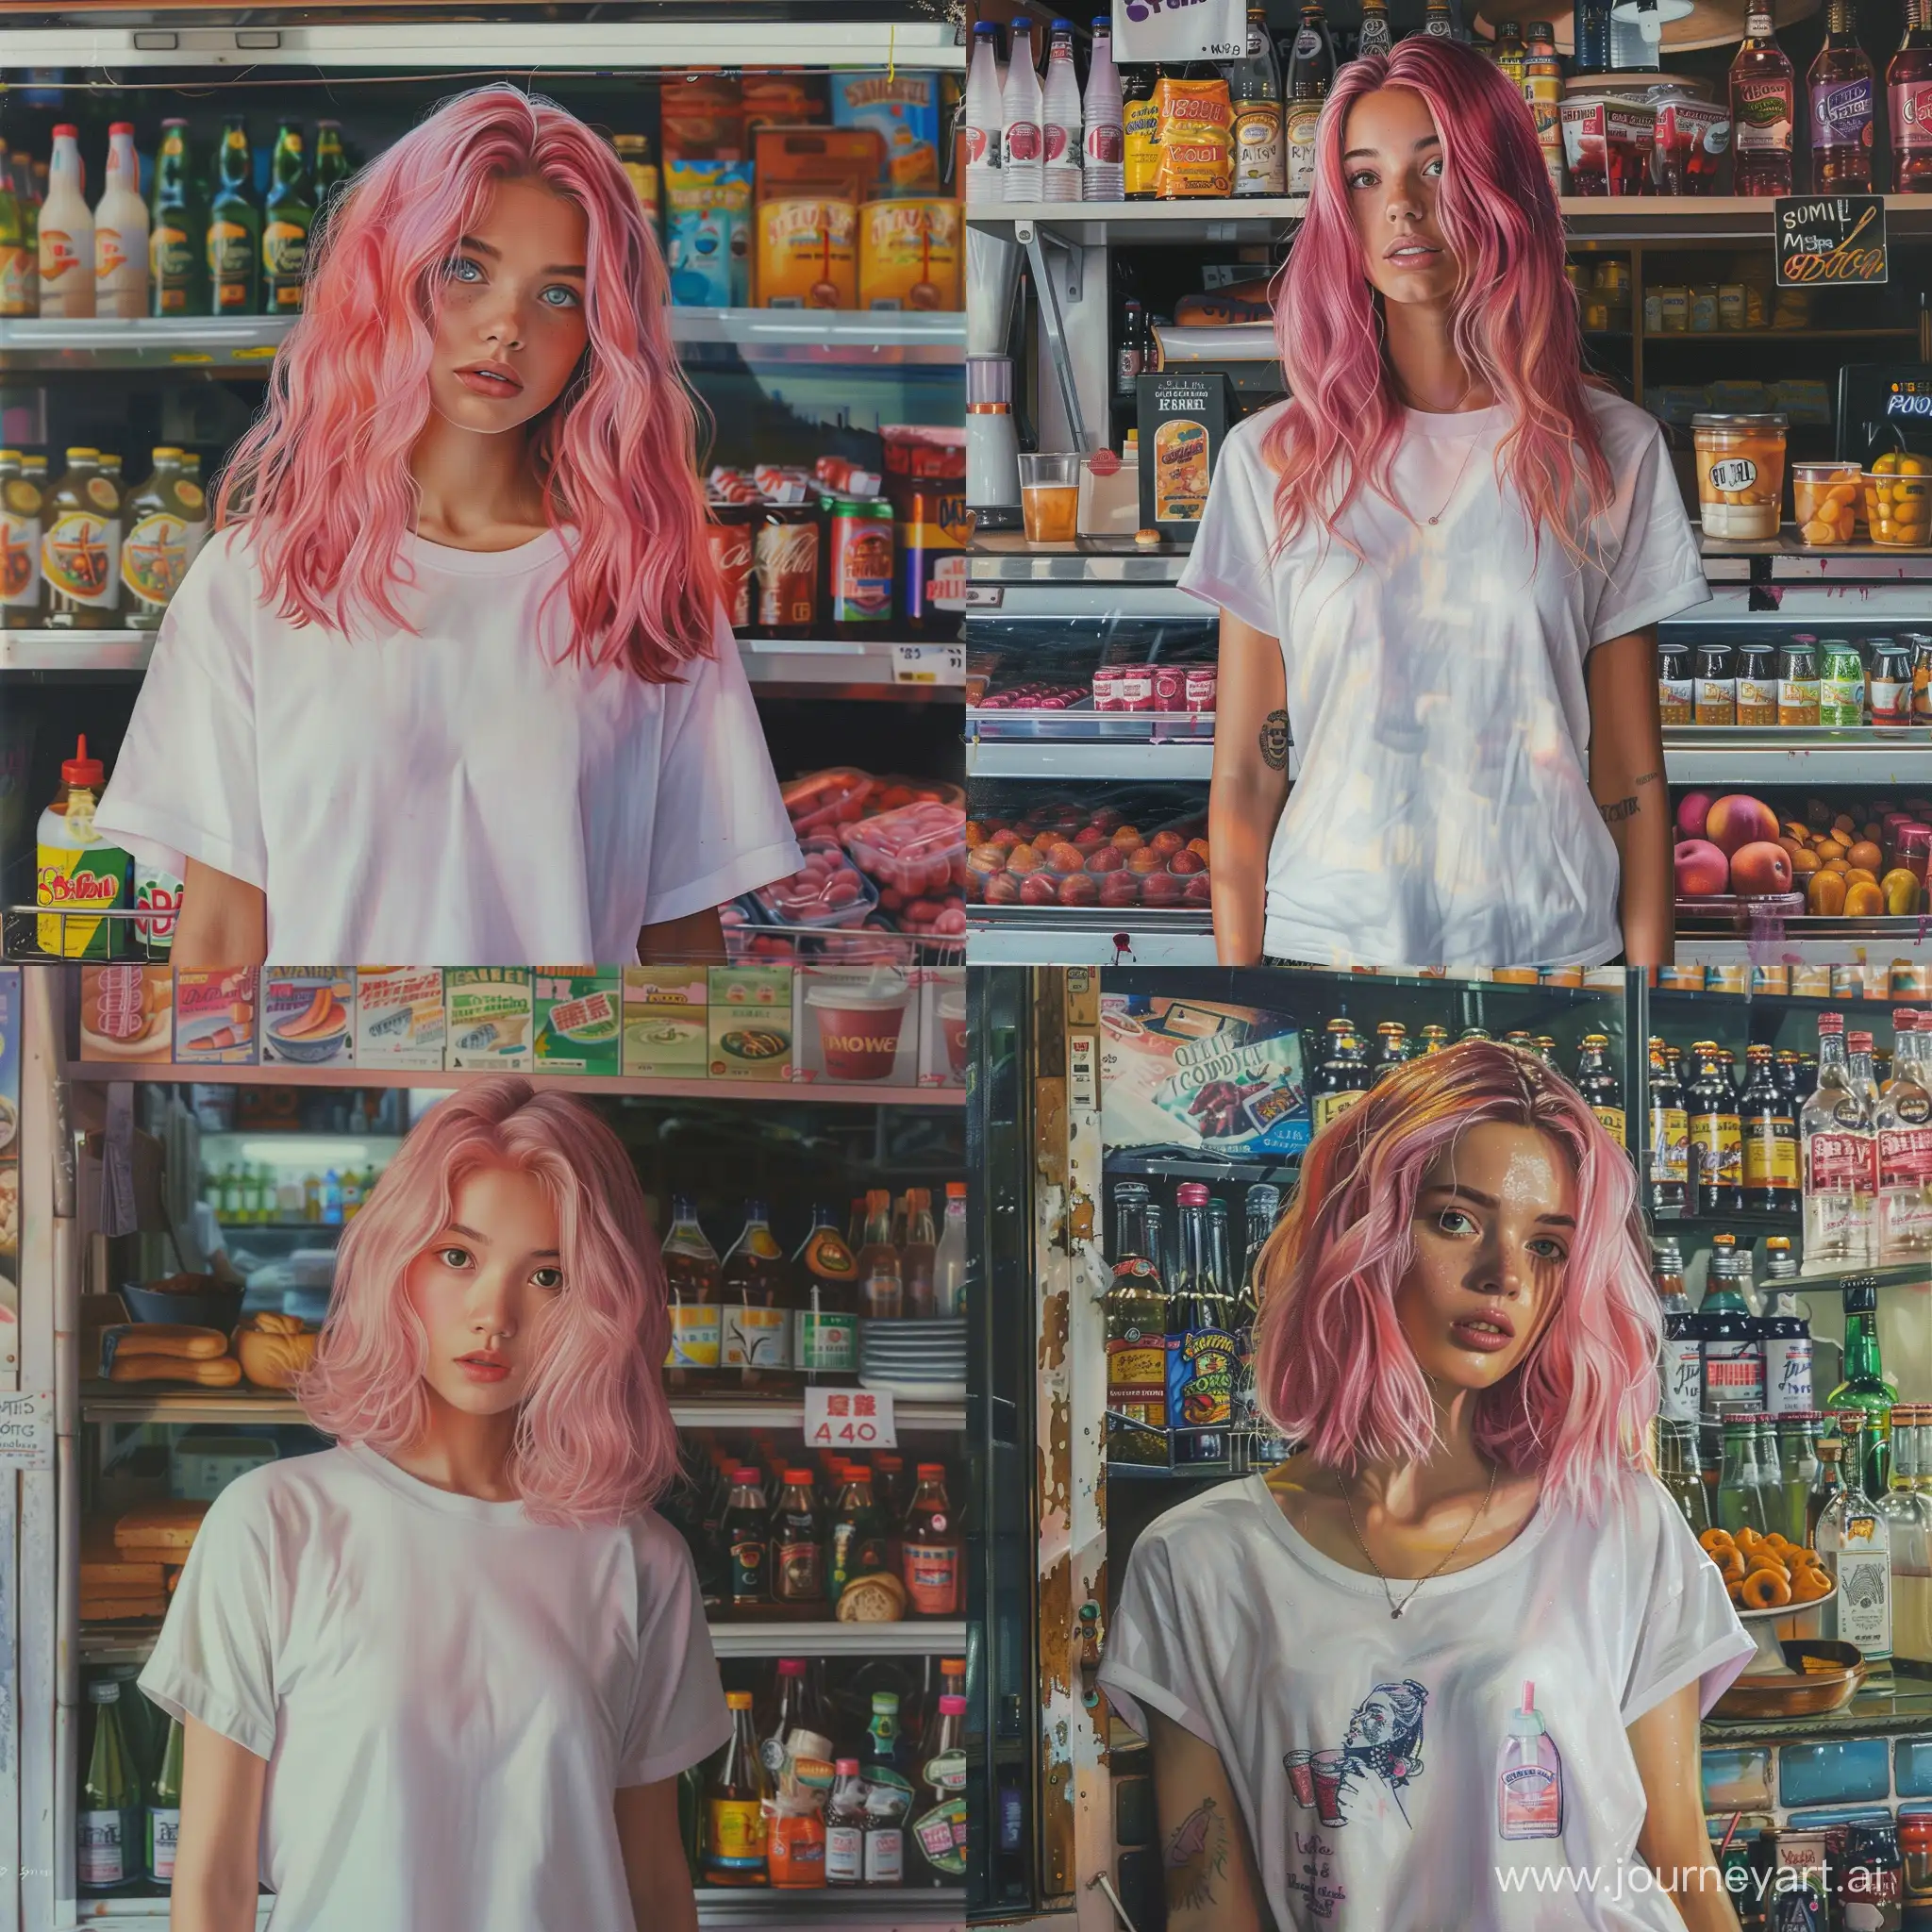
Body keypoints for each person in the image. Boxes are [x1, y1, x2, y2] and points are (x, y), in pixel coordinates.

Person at [94, 88, 799, 966]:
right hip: (320, 1100)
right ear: (388, 280)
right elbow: (218, 941)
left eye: (559, 295)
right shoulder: (258, 581)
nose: (507, 327)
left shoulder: (642, 594)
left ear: (601, 335)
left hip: (561, 1103)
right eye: (466, 269)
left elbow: (683, 951)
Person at [1098, 1040, 1755, 1932]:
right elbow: (1206, 1906)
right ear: (1360, 1231)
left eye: (1549, 1245)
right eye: (1455, 1219)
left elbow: (1681, 1863)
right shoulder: (1200, 1562)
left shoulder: (1621, 1524)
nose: (1506, 1276)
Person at [141, 1077, 724, 1932]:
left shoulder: (640, 1558)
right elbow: (216, 1884)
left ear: (600, 1305)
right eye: (458, 1256)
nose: (495, 1316)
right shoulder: (273, 1525)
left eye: (550, 1275)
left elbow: (655, 1880)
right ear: (396, 1264)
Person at [1196, 39, 1706, 973]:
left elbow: (1630, 777)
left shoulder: (1610, 450)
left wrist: (1642, 1001)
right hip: (1324, 954)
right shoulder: (1268, 460)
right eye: (1362, 176)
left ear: (1497, 183)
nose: (1399, 202)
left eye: (1435, 165)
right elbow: (1243, 773)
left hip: (1550, 959)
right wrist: (1247, 990)